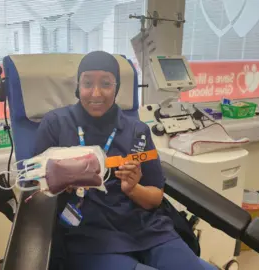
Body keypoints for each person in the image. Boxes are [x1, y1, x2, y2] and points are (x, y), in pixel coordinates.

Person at [34, 51, 217, 270]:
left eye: (106, 83)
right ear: (78, 86)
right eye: (87, 83)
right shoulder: (55, 124)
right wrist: (60, 185)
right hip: (91, 236)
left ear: (117, 87)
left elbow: (155, 198)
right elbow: (35, 189)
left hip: (148, 230)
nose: (96, 92)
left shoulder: (137, 131)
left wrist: (133, 189)